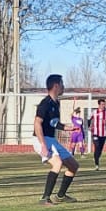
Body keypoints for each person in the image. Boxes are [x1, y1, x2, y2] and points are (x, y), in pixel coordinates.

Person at [34, 73, 78, 204]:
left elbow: (54, 123)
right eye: (62, 84)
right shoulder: (45, 104)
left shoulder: (56, 103)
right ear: (56, 86)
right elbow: (37, 123)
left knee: (73, 166)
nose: (64, 87)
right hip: (40, 139)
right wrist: (42, 144)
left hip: (51, 139)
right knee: (57, 163)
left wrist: (68, 127)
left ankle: (61, 196)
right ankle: (44, 198)